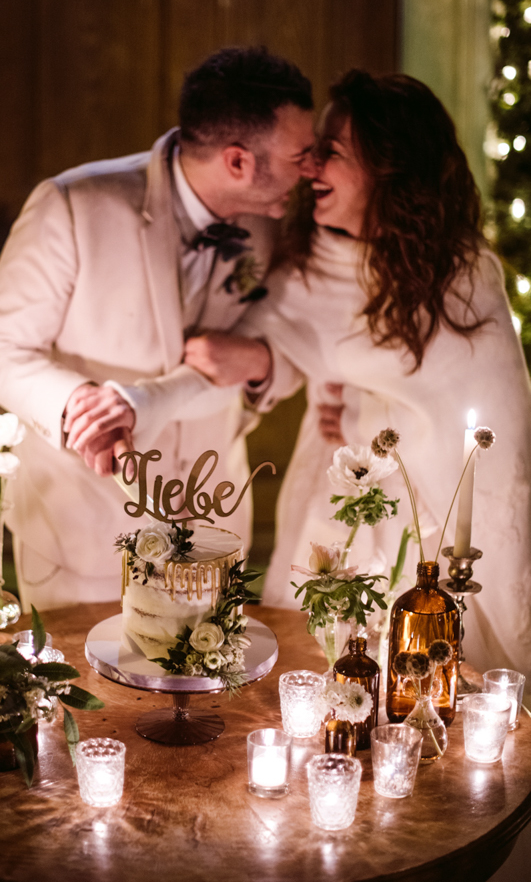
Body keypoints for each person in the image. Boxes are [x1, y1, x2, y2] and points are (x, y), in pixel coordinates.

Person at [180, 70, 531, 680]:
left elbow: (489, 418)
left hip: (434, 523)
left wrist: (368, 409)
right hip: (343, 497)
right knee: (322, 677)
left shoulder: (464, 275)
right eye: (312, 150)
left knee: (430, 682)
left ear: (388, 169)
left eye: (332, 153)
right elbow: (281, 345)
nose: (311, 167)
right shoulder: (310, 265)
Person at [0, 46, 316, 610]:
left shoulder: (275, 224)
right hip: (83, 527)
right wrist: (81, 403)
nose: (309, 169)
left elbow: (294, 343)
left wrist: (263, 364)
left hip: (214, 527)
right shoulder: (73, 204)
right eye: (298, 155)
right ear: (238, 162)